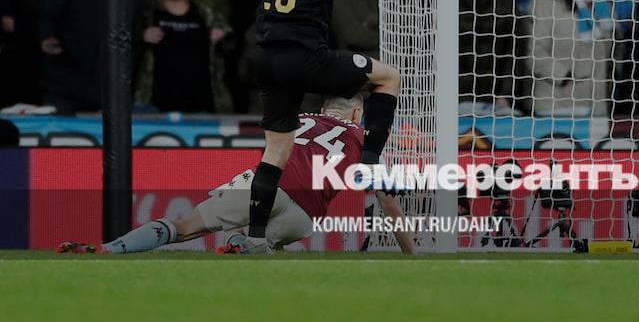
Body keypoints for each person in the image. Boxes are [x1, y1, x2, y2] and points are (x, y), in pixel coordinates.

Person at [241, 0, 430, 254]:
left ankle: (254, 238)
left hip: (268, 58)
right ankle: (371, 161)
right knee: (388, 77)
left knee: (275, 153)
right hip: (307, 57)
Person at [58, 94, 415, 255]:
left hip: (267, 187)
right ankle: (247, 248)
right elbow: (390, 205)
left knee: (184, 227)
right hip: (304, 218)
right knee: (257, 245)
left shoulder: (296, 119)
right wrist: (412, 256)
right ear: (356, 114)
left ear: (322, 109)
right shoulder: (365, 140)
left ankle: (109, 249)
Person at [135, 0, 233, 113]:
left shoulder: (205, 12)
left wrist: (222, 34)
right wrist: (142, 36)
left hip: (201, 106)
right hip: (156, 106)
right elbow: (126, 47)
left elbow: (230, 44)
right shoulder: (149, 15)